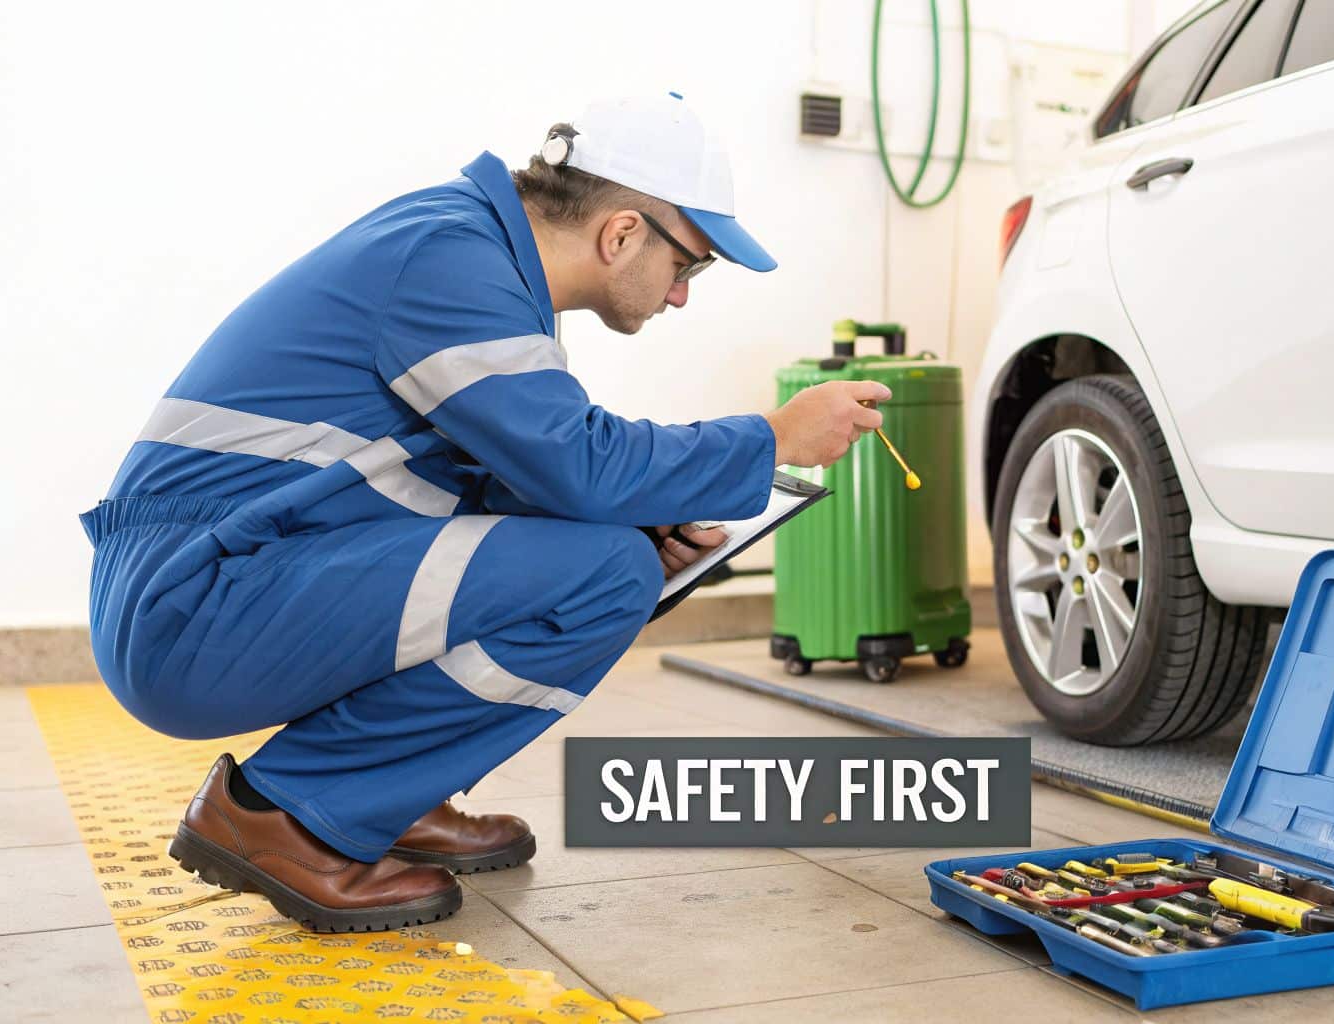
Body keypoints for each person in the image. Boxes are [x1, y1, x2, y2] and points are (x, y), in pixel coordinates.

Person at [80, 93, 888, 932]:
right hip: (194, 605)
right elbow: (579, 465)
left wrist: (647, 527)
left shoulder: (474, 255)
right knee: (605, 574)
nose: (682, 295)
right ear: (620, 233)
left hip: (228, 580)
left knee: (610, 552)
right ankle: (284, 815)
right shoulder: (451, 260)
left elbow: (516, 482)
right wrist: (773, 437)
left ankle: (388, 793)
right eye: (690, 265)